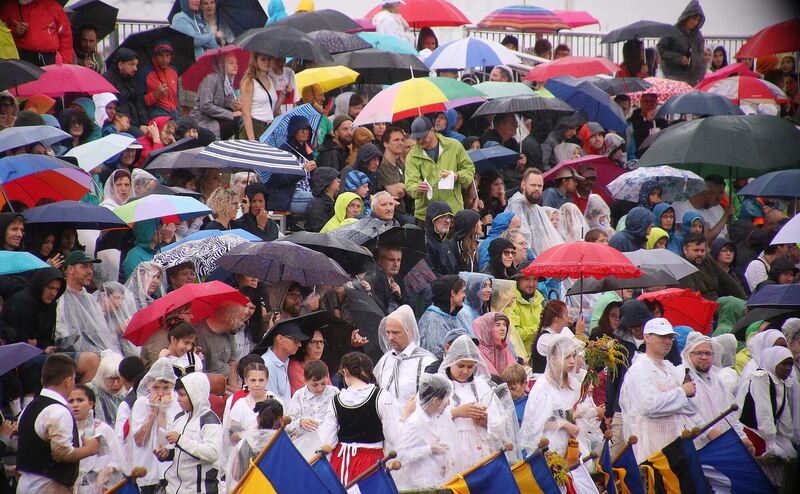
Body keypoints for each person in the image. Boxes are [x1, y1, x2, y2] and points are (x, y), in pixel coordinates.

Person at [619, 318, 711, 460]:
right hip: (650, 446)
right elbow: (648, 405)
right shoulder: (639, 369)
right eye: (662, 336)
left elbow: (687, 408)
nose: (667, 341)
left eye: (670, 337)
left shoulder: (670, 368)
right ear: (646, 337)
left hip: (674, 443)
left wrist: (707, 430)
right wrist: (682, 392)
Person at [16, 354, 100, 494]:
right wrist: (90, 449)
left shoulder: (28, 408)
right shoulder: (58, 411)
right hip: (47, 487)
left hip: (26, 485)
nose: (74, 384)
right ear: (68, 381)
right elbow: (61, 453)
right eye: (74, 380)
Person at [318, 352, 400, 484]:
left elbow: (327, 440)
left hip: (341, 461)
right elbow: (394, 436)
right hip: (371, 463)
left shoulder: (336, 399)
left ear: (345, 372)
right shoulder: (382, 396)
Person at [679, 332, 755, 454]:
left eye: (708, 353)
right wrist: (708, 431)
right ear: (688, 354)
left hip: (720, 444)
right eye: (698, 353)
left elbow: (729, 412)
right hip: (696, 446)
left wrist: (742, 436)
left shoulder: (716, 380)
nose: (704, 357)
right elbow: (687, 411)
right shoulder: (681, 376)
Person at [439, 335, 505, 472]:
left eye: (470, 366)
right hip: (450, 450)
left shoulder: (481, 387)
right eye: (460, 365)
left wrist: (485, 422)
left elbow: (499, 422)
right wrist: (455, 413)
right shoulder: (439, 385)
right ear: (451, 361)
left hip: (478, 449)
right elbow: (427, 418)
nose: (465, 371)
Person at [153, 372, 221, 494]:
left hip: (200, 490)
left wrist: (180, 440)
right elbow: (181, 452)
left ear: (196, 395)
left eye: (182, 395)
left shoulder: (210, 420)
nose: (178, 399)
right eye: (178, 395)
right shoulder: (179, 417)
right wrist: (167, 454)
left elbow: (212, 453)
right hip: (173, 489)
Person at [520, 336, 584, 457]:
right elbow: (534, 421)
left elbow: (578, 408)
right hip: (551, 443)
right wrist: (564, 425)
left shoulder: (574, 384)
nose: (572, 361)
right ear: (553, 359)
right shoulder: (542, 386)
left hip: (574, 443)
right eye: (566, 357)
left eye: (573, 356)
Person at [404, 116, 475, 222]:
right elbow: (410, 185)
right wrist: (418, 188)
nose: (420, 141)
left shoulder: (454, 146)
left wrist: (458, 175)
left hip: (453, 212)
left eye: (423, 136)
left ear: (432, 130)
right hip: (426, 215)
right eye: (417, 138)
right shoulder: (412, 156)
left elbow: (469, 170)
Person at [393, 373, 457, 489]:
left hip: (432, 482)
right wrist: (429, 449)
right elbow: (400, 456)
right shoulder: (415, 423)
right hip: (414, 486)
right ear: (436, 400)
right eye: (447, 399)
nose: (448, 403)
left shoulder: (435, 418)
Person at [736, 346, 795, 459]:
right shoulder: (761, 378)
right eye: (784, 364)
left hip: (767, 437)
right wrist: (772, 444)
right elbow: (764, 414)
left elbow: (785, 419)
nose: (788, 368)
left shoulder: (781, 383)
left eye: (790, 365)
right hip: (752, 435)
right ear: (772, 363)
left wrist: (787, 439)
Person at [68, 384, 127, 493]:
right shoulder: (64, 430)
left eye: (80, 400)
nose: (75, 405)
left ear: (91, 404)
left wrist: (109, 469)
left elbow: (118, 458)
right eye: (70, 401)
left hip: (98, 486)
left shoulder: (102, 429)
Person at [375, 304, 437, 405]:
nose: (390, 337)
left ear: (410, 332)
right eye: (388, 332)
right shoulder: (385, 360)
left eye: (396, 332)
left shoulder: (426, 361)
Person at [285, 360, 339, 459]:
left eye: (323, 383)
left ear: (328, 378)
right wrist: (300, 422)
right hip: (307, 449)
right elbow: (287, 426)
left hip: (330, 446)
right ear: (305, 381)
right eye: (315, 384)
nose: (319, 388)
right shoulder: (299, 396)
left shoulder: (334, 392)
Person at [507, 168, 565, 256]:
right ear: (523, 185)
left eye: (539, 186)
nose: (537, 189)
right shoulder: (516, 204)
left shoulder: (537, 208)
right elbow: (523, 235)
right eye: (533, 185)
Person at [0, 0, 72, 66]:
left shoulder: (53, 6)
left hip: (51, 59)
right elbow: (2, 36)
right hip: (22, 59)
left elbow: (65, 37)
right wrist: (15, 31)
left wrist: (64, 62)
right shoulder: (8, 8)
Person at [226, 363, 281, 449]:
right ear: (246, 381)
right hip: (247, 452)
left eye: (261, 380)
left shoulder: (275, 401)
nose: (257, 384)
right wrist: (248, 434)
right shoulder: (240, 405)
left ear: (267, 380)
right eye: (253, 380)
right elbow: (232, 435)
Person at [678, 232, 747, 301]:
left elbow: (726, 279)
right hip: (700, 305)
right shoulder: (682, 267)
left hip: (716, 301)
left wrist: (745, 300)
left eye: (702, 251)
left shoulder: (707, 259)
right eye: (696, 250)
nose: (700, 254)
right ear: (685, 250)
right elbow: (690, 297)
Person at [503, 260, 545, 362]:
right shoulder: (510, 301)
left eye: (534, 279)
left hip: (538, 356)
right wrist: (540, 330)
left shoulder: (539, 301)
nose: (531, 284)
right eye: (527, 279)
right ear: (518, 280)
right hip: (519, 359)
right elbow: (514, 334)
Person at [657, 0, 706, 86]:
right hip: (673, 77)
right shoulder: (671, 31)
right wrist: (678, 58)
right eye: (693, 19)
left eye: (698, 20)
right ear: (686, 17)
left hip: (692, 79)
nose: (695, 22)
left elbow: (701, 57)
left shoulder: (698, 37)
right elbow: (660, 49)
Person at [261, 318, 310, 404]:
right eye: (296, 340)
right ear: (280, 339)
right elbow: (271, 401)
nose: (299, 344)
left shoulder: (286, 361)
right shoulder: (267, 364)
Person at [419, 275, 466, 359]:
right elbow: (436, 353)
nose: (464, 296)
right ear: (453, 293)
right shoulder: (434, 320)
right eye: (462, 292)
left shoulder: (453, 315)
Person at [103, 48, 149, 131]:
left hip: (135, 123)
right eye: (131, 64)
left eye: (136, 65)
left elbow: (139, 103)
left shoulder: (131, 79)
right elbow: (115, 106)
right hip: (120, 123)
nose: (135, 69)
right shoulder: (107, 79)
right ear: (120, 65)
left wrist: (144, 123)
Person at [240, 52, 281, 140]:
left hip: (269, 127)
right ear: (255, 60)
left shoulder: (271, 79)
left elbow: (274, 109)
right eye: (263, 59)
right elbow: (246, 113)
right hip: (255, 126)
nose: (267, 62)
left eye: (269, 59)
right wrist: (252, 141)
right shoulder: (249, 81)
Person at [88, 350, 124, 426]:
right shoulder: (91, 392)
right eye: (111, 379)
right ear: (102, 377)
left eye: (119, 379)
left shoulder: (125, 393)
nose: (116, 384)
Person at [423, 201, 458, 275]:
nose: (448, 221)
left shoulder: (447, 244)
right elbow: (430, 275)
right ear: (432, 220)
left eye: (449, 217)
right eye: (442, 217)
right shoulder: (425, 243)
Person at [368, 245, 404, 316]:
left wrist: (398, 296)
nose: (396, 264)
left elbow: (410, 306)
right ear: (380, 261)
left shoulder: (398, 279)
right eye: (391, 260)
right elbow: (380, 310)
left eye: (399, 260)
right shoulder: (377, 279)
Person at [305, 168, 340, 233]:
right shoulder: (316, 204)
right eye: (335, 178)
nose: (339, 180)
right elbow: (318, 229)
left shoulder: (337, 200)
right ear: (326, 182)